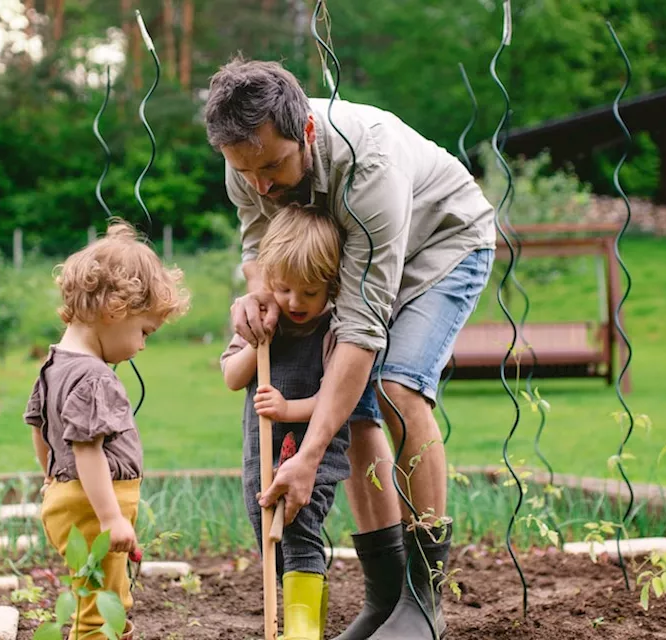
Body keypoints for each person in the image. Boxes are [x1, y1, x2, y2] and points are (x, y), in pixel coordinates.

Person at [204, 57, 496, 639]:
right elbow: (259, 241)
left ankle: (423, 598)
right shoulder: (250, 160)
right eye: (245, 171)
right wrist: (257, 296)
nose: (260, 184)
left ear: (306, 132)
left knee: (395, 386)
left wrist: (307, 457)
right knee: (359, 415)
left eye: (272, 167)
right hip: (347, 265)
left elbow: (362, 329)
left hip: (441, 245)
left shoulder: (370, 169)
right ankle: (385, 598)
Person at [26, 220, 190, 640]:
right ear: (115, 311)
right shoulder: (94, 376)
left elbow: (40, 430)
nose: (142, 346)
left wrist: (50, 479)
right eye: (144, 332)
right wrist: (111, 517)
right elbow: (87, 450)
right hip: (95, 505)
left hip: (69, 497)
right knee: (102, 607)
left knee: (94, 593)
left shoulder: (53, 366)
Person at [220, 204, 363, 640]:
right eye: (284, 289)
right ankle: (310, 624)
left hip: (312, 458)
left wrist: (287, 410)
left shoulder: (336, 331)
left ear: (332, 287)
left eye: (310, 293)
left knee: (300, 532)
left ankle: (300, 632)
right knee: (269, 536)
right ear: (269, 279)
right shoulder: (260, 320)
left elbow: (331, 399)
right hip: (261, 454)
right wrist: (254, 343)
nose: (295, 303)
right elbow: (231, 377)